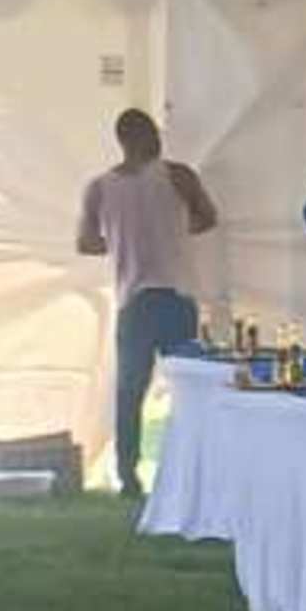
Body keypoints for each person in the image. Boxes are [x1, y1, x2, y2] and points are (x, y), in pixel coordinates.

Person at [78, 102, 217, 501]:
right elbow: (208, 217)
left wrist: (122, 242)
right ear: (144, 138)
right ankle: (189, 471)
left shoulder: (100, 187)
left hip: (135, 299)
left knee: (130, 390)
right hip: (176, 294)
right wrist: (172, 232)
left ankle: (128, 476)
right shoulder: (179, 177)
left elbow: (85, 242)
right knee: (188, 389)